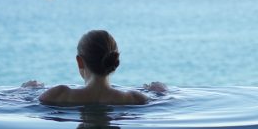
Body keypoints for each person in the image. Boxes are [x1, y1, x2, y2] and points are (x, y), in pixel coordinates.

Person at [35, 29, 166, 106]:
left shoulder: (59, 95)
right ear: (115, 61)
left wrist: (27, 89)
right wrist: (160, 92)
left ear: (80, 62)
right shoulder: (135, 98)